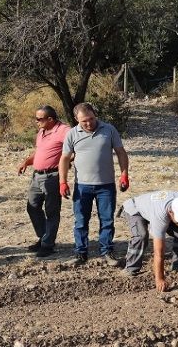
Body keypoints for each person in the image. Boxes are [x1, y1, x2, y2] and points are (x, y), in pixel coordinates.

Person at [59, 102, 129, 266]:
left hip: (106, 185)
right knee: (81, 220)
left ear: (95, 114)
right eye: (84, 121)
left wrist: (124, 174)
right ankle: (81, 253)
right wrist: (62, 181)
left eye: (91, 118)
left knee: (107, 219)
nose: (89, 123)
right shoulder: (72, 134)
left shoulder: (109, 130)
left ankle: (107, 251)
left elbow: (120, 152)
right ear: (77, 119)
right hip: (82, 186)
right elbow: (64, 158)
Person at [18, 105, 71, 257]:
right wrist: (26, 162)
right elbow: (40, 152)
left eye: (39, 119)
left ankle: (48, 245)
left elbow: (75, 147)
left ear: (50, 119)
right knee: (32, 207)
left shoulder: (63, 130)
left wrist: (68, 160)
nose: (36, 122)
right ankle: (43, 238)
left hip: (53, 176)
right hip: (36, 176)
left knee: (51, 211)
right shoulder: (42, 131)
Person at [120, 188, 178, 292]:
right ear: (171, 212)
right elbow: (158, 253)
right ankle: (131, 268)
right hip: (135, 208)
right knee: (141, 235)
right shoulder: (160, 216)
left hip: (152, 207)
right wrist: (159, 279)